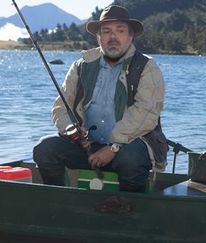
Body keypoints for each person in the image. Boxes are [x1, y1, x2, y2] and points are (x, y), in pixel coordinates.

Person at [33, 5, 168, 192]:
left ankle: (127, 207)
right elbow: (60, 108)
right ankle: (59, 200)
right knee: (45, 149)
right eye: (106, 31)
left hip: (126, 147)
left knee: (132, 157)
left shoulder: (147, 67)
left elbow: (146, 114)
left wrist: (113, 147)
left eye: (120, 31)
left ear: (130, 36)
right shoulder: (81, 66)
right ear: (98, 37)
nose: (113, 37)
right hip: (87, 148)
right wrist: (70, 129)